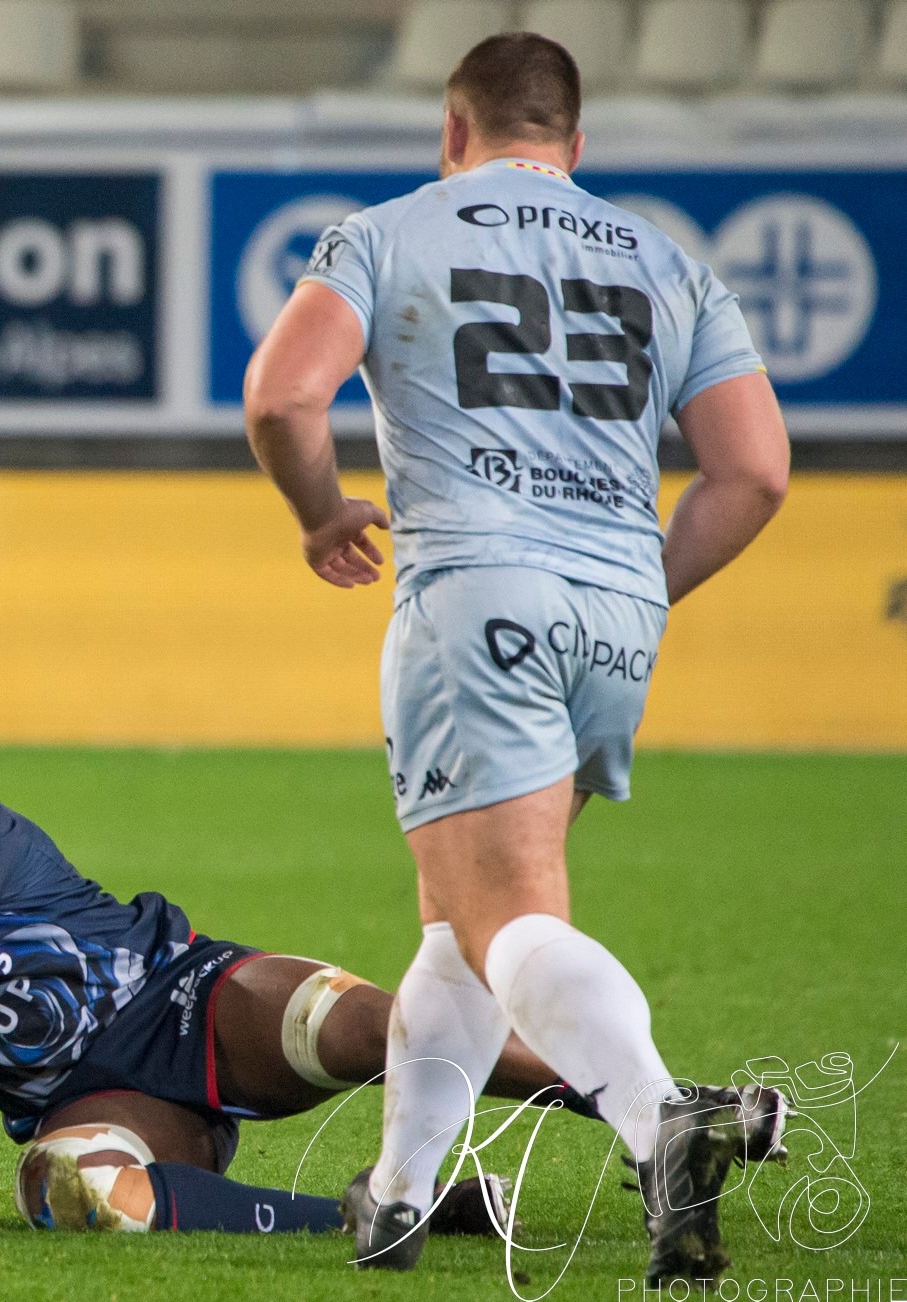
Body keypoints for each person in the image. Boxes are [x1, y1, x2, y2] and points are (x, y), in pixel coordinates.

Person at [240, 32, 789, 1282]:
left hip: (474, 591)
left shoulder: (388, 232)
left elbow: (281, 396)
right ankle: (397, 1193)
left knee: (505, 915)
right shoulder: (668, 261)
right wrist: (639, 584)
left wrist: (322, 514)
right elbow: (755, 469)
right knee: (463, 921)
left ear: (453, 132)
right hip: (615, 611)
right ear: (576, 146)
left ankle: (661, 1116)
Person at [0, 756, 779, 1235]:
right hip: (103, 1096)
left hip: (192, 997)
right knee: (70, 1190)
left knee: (373, 1026)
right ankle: (401, 1214)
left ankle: (663, 1107)